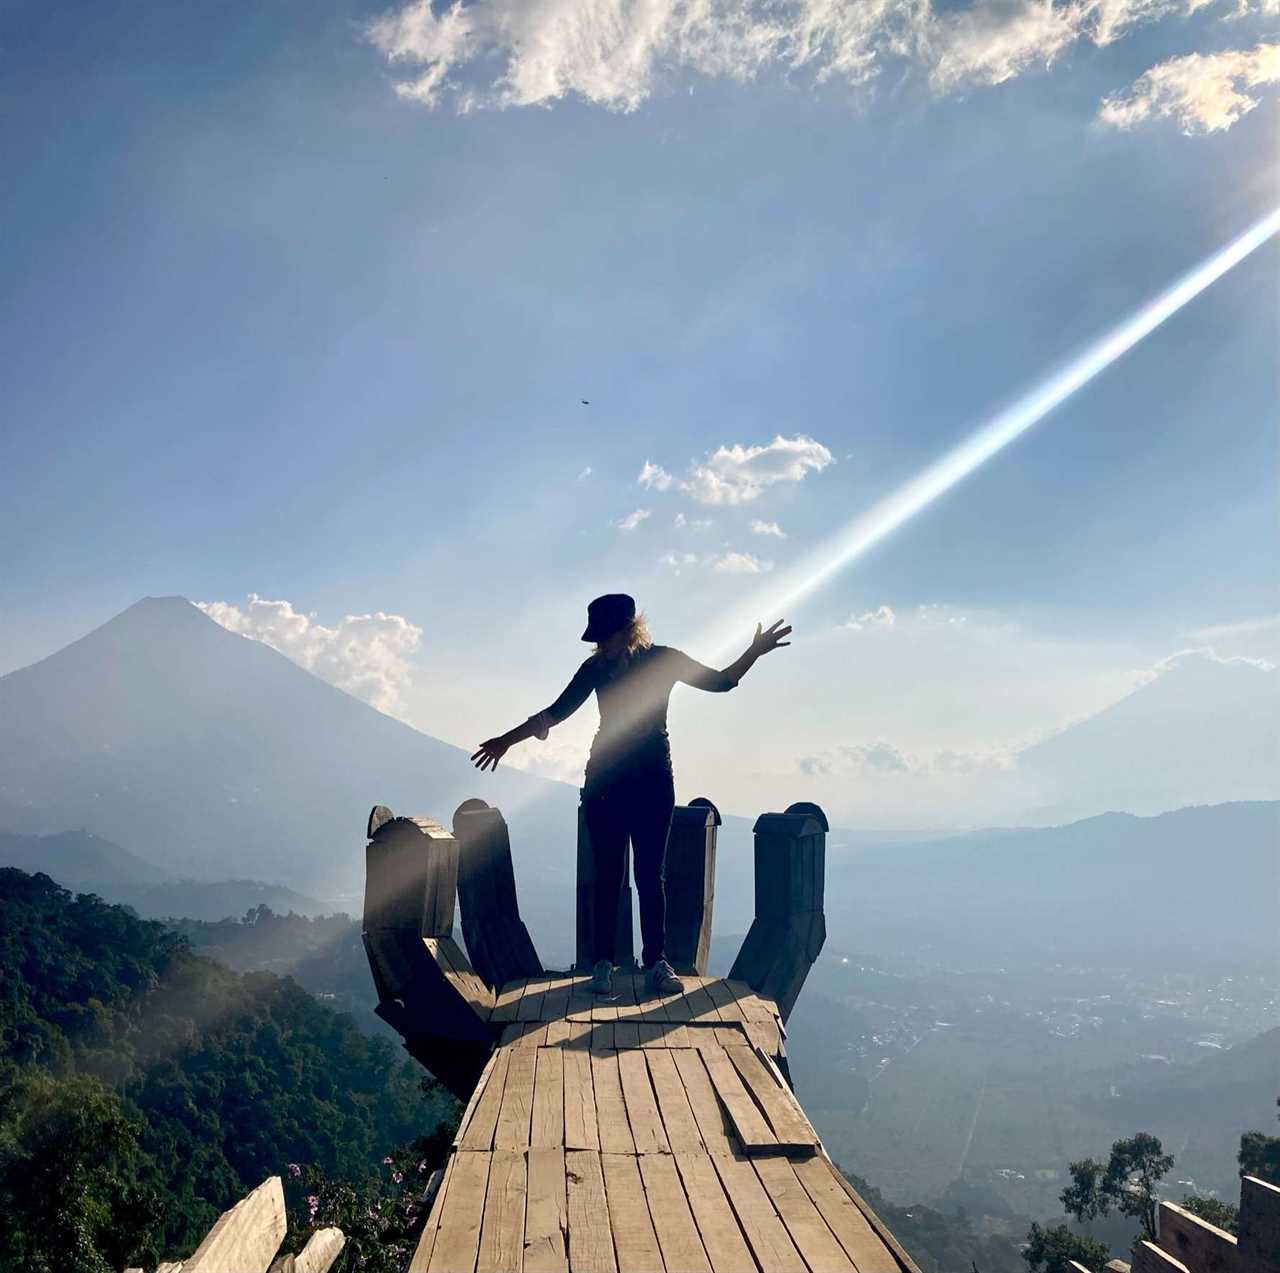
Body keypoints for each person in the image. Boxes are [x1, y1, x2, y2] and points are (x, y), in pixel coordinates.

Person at [471, 593, 791, 997]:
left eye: (606, 637)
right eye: (597, 639)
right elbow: (554, 714)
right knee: (608, 876)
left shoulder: (664, 659)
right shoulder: (595, 668)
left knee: (649, 877)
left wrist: (755, 652)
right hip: (605, 782)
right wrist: (506, 740)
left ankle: (656, 963)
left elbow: (722, 682)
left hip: (653, 781)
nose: (600, 645)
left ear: (629, 630)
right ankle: (603, 965)